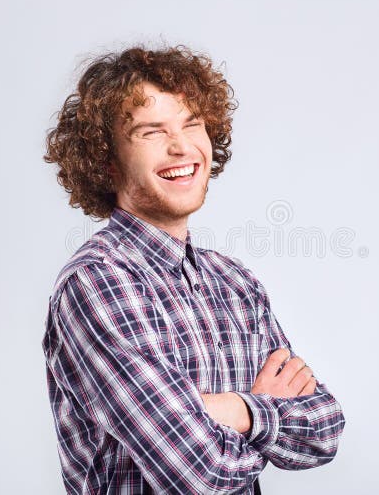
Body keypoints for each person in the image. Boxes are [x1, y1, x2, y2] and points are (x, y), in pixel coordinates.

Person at [42, 45, 346, 494]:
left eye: (192, 124)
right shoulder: (97, 283)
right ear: (107, 162)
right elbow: (199, 473)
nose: (181, 146)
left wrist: (237, 410)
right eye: (151, 132)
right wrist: (266, 411)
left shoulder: (234, 284)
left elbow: (325, 430)